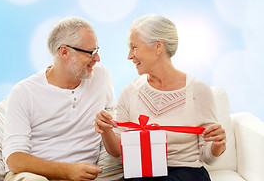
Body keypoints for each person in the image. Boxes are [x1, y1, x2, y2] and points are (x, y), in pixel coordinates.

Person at [95, 14, 226, 181]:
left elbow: (208, 157)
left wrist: (217, 145)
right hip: (143, 172)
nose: (129, 55)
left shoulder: (199, 91)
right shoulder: (130, 92)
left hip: (187, 173)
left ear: (158, 47)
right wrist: (106, 130)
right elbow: (118, 152)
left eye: (134, 47)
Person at [3, 17, 116, 181]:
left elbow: (114, 128)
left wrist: (107, 126)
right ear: (64, 52)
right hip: (34, 175)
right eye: (91, 52)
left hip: (83, 176)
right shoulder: (24, 91)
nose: (97, 58)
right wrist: (68, 171)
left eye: (97, 50)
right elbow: (14, 159)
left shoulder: (101, 76)